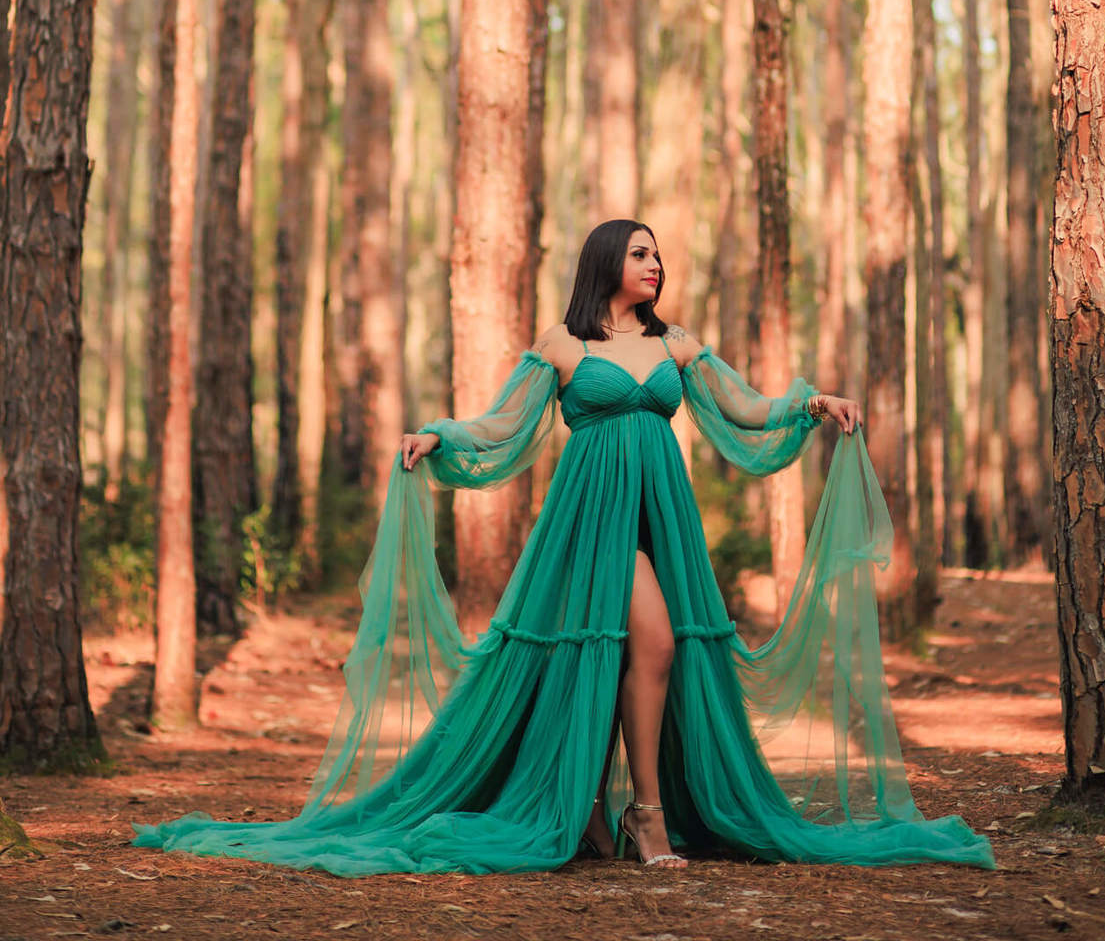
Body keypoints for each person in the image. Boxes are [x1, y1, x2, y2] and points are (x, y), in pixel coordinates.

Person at [134, 219, 994, 876]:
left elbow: (745, 408)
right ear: (606, 263)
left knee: (649, 648)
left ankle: (608, 808)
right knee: (640, 644)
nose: (655, 266)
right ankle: (635, 815)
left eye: (658, 256)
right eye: (640, 254)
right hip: (588, 524)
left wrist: (816, 403)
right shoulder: (564, 345)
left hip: (659, 518)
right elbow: (504, 422)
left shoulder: (673, 344)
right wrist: (436, 435)